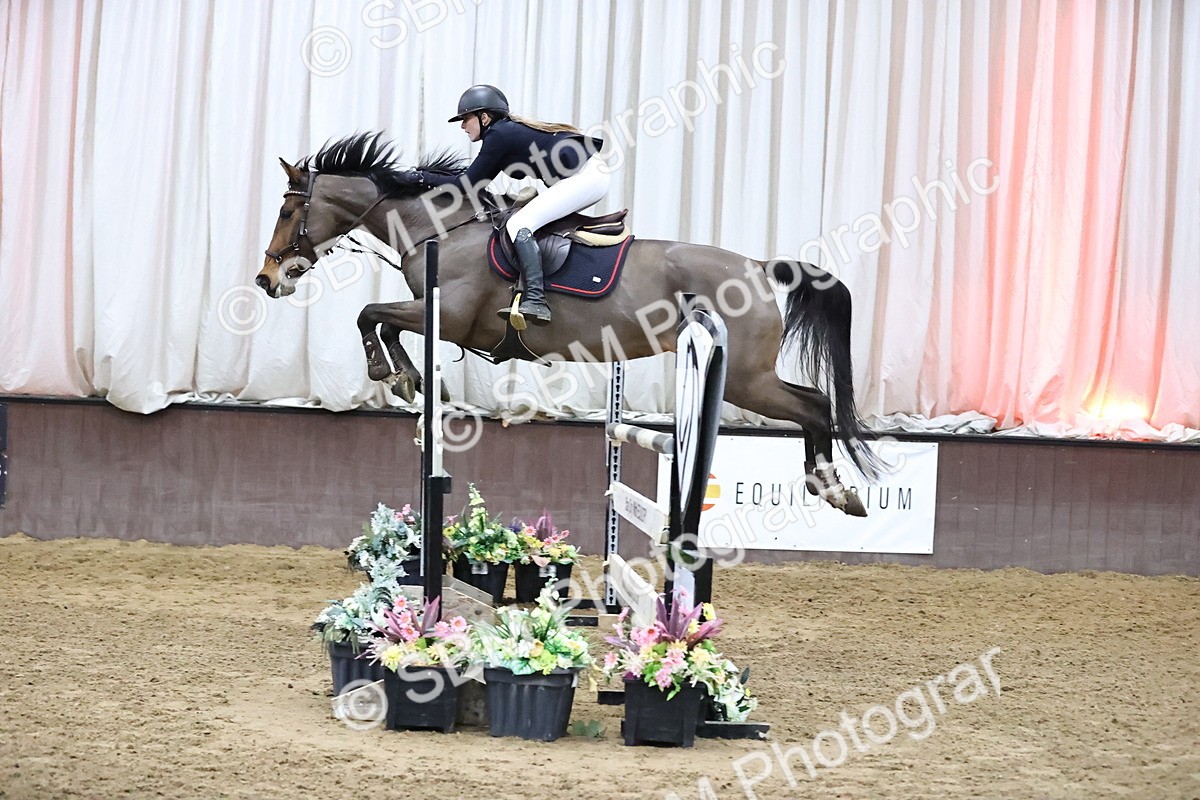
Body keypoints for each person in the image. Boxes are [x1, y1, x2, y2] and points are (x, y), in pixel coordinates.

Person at [415, 84, 608, 324]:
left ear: (484, 117)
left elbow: (466, 184)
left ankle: (536, 300)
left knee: (519, 225)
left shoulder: (498, 135)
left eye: (466, 119)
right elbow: (476, 182)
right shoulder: (503, 133)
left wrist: (422, 177)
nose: (463, 126)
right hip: (588, 175)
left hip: (587, 177)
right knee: (527, 221)